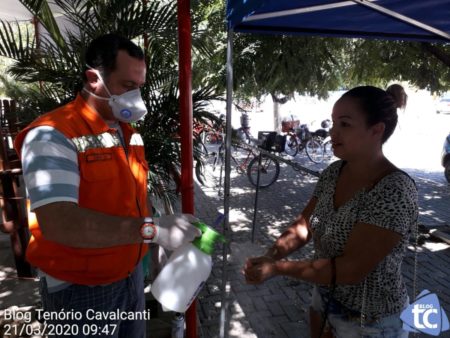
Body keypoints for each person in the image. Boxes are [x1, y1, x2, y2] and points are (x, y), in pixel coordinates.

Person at [14, 33, 200, 337]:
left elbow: (133, 200)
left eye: (139, 88)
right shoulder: (52, 135)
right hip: (78, 291)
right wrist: (154, 230)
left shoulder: (129, 134)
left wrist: (161, 244)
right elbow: (60, 224)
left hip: (129, 280)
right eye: (127, 86)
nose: (135, 97)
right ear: (93, 79)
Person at [244, 85, 418, 338]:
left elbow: (352, 268)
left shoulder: (395, 190)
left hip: (372, 322)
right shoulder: (333, 173)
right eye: (334, 122)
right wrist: (272, 255)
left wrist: (278, 268)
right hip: (325, 301)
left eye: (345, 124)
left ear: (376, 130)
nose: (333, 131)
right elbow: (305, 225)